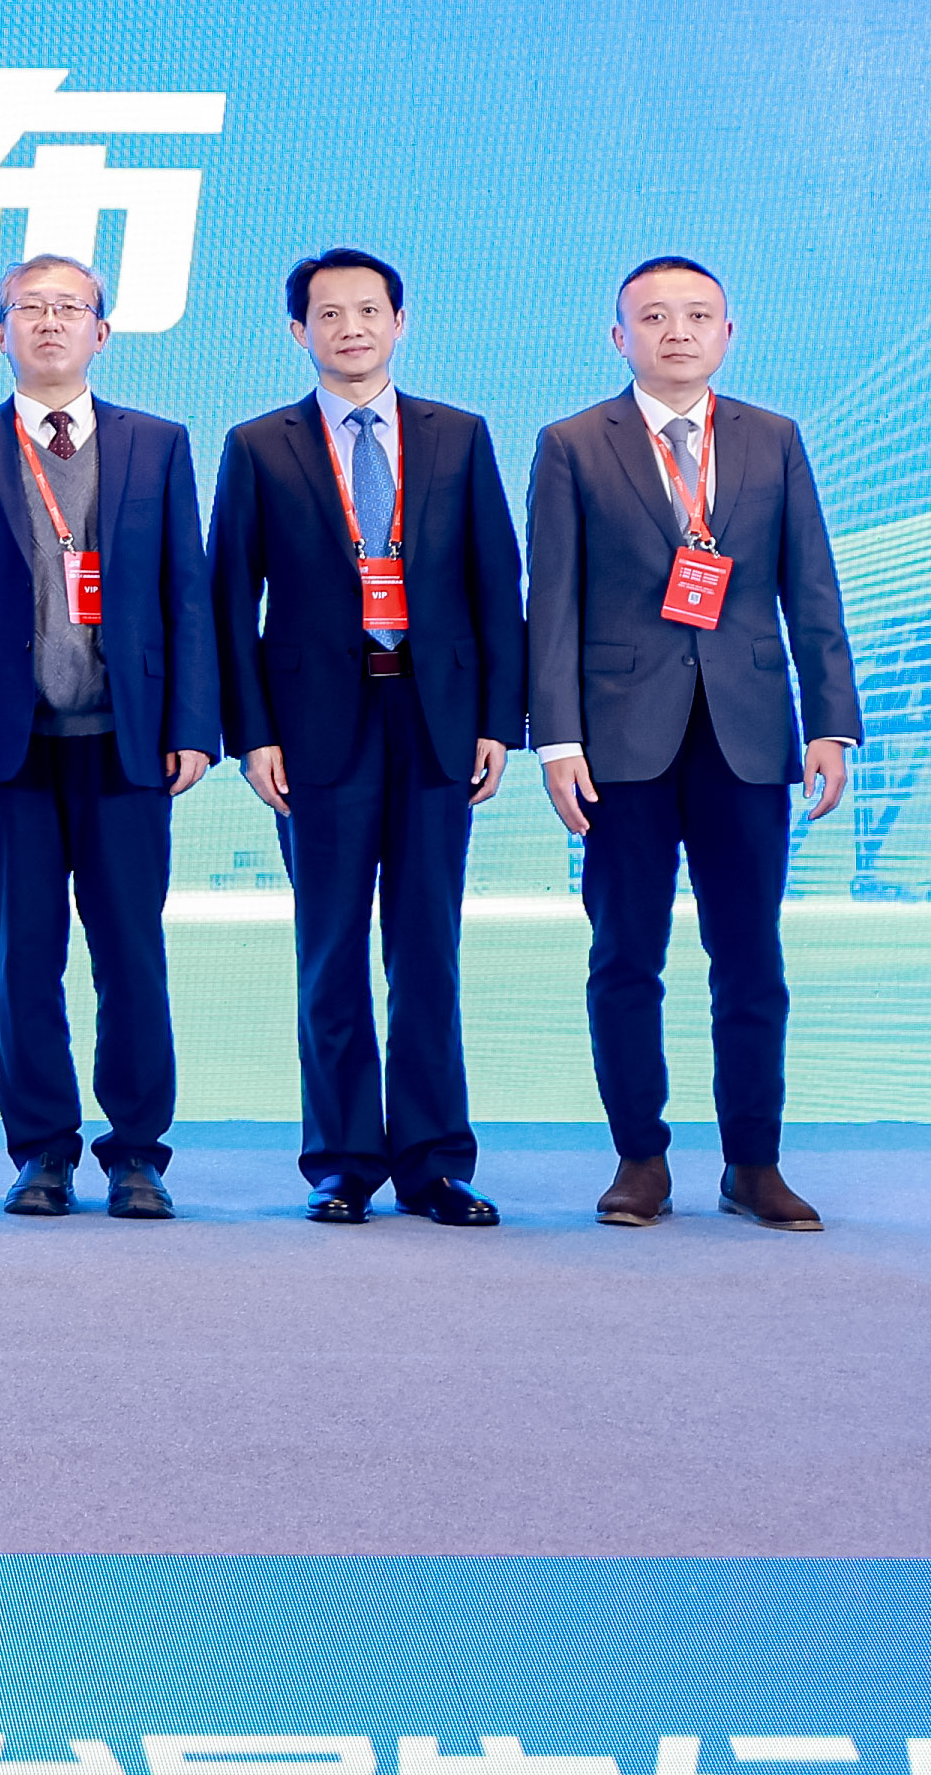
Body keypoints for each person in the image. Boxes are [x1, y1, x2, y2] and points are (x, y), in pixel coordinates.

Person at [527, 253, 863, 1232]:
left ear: (728, 332)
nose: (677, 331)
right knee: (625, 958)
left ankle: (754, 1165)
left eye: (698, 315)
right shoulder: (573, 444)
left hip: (747, 738)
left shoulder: (774, 438)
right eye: (654, 316)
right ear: (618, 335)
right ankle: (641, 1160)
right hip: (620, 744)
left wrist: (830, 723)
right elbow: (551, 603)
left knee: (750, 959)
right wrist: (557, 740)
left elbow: (811, 588)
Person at [210, 247, 524, 1227]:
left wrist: (499, 722)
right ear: (297, 331)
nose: (351, 328)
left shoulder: (458, 436)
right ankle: (343, 1159)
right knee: (331, 949)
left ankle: (435, 1163)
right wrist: (252, 733)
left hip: (436, 722)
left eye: (369, 311)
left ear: (400, 322)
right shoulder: (259, 446)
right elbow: (229, 602)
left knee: (428, 950)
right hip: (314, 730)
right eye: (329, 314)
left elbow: (496, 584)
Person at [0, 250, 221, 1220]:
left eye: (70, 308)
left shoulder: (157, 444)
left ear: (103, 331)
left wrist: (193, 724)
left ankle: (138, 1155)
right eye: (29, 308)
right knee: (24, 957)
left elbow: (186, 591)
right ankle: (42, 1150)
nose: (50, 323)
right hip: (9, 749)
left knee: (131, 955)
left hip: (127, 744)